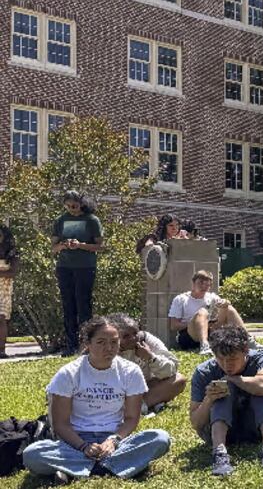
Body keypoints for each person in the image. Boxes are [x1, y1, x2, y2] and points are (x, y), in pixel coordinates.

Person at [22, 317, 171, 482]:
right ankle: (115, 467)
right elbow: (61, 424)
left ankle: (76, 470)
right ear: (88, 343)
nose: (109, 348)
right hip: (75, 441)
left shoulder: (131, 371)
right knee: (32, 454)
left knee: (160, 438)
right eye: (101, 342)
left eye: (114, 342)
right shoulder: (69, 373)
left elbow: (131, 418)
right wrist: (83, 446)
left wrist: (114, 440)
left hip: (115, 440)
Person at [189, 325, 263, 477]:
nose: (227, 365)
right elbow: (196, 423)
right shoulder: (204, 371)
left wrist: (235, 380)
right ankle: (219, 454)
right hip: (216, 431)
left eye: (232, 359)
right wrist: (209, 400)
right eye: (221, 359)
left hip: (254, 429)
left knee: (260, 389)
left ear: (245, 350)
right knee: (222, 389)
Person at [51, 191, 103, 356]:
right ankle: (70, 345)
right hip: (65, 267)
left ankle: (86, 345)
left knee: (83, 306)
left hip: (85, 267)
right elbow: (53, 248)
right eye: (68, 206)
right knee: (68, 306)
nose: (71, 209)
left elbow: (100, 246)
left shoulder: (91, 220)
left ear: (81, 203)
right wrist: (64, 245)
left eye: (74, 205)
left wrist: (80, 245)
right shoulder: (60, 221)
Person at [107, 313, 187, 414]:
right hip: (119, 394)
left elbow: (172, 368)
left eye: (135, 333)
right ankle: (148, 405)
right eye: (126, 336)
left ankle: (139, 406)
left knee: (179, 380)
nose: (133, 338)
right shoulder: (107, 347)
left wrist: (150, 357)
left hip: (147, 388)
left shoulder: (145, 339)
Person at [168, 270, 247, 355]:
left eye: (207, 284)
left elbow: (223, 306)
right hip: (189, 336)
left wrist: (225, 302)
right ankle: (204, 346)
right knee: (203, 312)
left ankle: (247, 340)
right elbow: (173, 326)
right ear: (193, 283)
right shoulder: (181, 299)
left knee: (228, 307)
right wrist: (198, 322)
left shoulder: (211, 297)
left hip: (211, 332)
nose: (204, 286)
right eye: (201, 283)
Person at [0, 224, 21, 359]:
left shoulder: (12, 253)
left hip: (3, 292)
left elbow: (12, 272)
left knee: (1, 319)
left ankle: (1, 350)